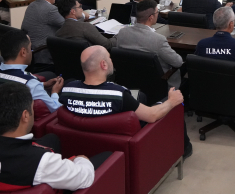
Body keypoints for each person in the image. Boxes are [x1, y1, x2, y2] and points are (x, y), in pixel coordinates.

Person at [0, 81, 97, 191]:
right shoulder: (43, 163)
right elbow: (85, 178)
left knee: (52, 139)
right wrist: (80, 159)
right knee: (105, 157)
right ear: (25, 115)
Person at [60, 46, 191, 157]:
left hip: (84, 145)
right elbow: (151, 115)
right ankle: (185, 149)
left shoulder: (67, 89)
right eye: (109, 57)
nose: (111, 60)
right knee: (171, 101)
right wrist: (171, 101)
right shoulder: (118, 94)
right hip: (123, 146)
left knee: (140, 97)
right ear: (103, 64)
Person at [0, 30, 63, 113]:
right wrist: (55, 92)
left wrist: (43, 84)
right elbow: (55, 108)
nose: (31, 52)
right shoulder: (30, 83)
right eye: (30, 48)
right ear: (23, 52)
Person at [116, 0, 184, 89]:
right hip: (157, 85)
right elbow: (178, 62)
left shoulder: (122, 33)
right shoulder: (158, 40)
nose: (158, 14)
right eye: (157, 12)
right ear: (151, 17)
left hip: (129, 81)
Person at [20, 0, 65, 69]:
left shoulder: (31, 5)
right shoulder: (50, 9)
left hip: (31, 50)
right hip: (44, 54)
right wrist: (81, 15)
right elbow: (67, 25)